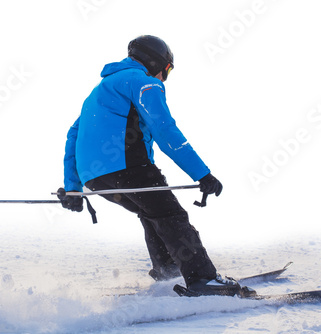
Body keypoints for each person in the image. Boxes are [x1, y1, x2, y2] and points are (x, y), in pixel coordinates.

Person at [58, 35, 239, 296]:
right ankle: (202, 280)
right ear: (156, 62)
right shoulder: (144, 83)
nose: (165, 78)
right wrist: (203, 173)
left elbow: (73, 136)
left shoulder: (98, 92)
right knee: (170, 216)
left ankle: (168, 271)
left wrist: (73, 187)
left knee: (153, 212)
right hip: (128, 168)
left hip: (95, 179)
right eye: (167, 70)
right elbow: (165, 130)